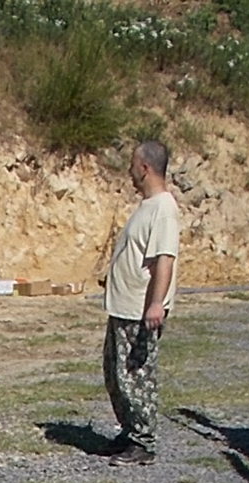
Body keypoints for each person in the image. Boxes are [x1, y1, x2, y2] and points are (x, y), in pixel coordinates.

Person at [100, 141, 180, 465]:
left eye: (133, 164)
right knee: (115, 373)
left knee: (136, 375)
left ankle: (143, 441)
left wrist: (156, 303)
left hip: (139, 308)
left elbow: (165, 259)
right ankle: (129, 430)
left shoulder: (163, 207)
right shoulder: (148, 206)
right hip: (122, 306)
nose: (129, 171)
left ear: (145, 168)